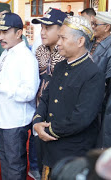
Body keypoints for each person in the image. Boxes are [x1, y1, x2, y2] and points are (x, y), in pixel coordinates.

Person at [32, 16, 105, 178]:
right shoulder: (59, 66)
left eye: (63, 38)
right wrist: (37, 121)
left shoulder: (93, 73)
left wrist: (48, 130)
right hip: (49, 146)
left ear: (80, 41)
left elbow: (82, 117)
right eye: (59, 38)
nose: (58, 43)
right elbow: (46, 97)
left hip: (73, 151)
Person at [0, 13, 39, 180]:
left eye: (5, 32)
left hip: (15, 122)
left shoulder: (26, 58)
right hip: (2, 118)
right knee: (6, 164)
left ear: (18, 33)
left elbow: (29, 92)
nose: (1, 37)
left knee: (15, 167)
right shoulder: (6, 53)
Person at [31, 8, 67, 178]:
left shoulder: (69, 54)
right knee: (40, 160)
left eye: (48, 28)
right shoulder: (40, 51)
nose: (42, 32)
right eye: (42, 28)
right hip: (40, 113)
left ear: (62, 29)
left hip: (61, 119)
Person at [89, 12, 111, 81]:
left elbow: (109, 77)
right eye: (92, 23)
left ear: (107, 27)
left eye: (95, 24)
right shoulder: (87, 41)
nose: (92, 27)